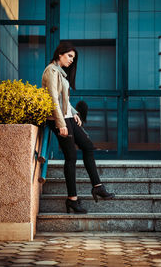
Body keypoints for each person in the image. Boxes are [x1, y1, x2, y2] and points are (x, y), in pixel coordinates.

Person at [42, 42, 115, 214]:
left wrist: (74, 112)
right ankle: (72, 200)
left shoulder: (61, 72)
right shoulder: (51, 71)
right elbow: (53, 99)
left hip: (67, 117)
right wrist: (60, 124)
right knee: (71, 157)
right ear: (60, 54)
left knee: (88, 146)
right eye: (69, 56)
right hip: (58, 119)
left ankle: (97, 186)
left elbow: (63, 100)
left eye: (73, 58)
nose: (71, 60)